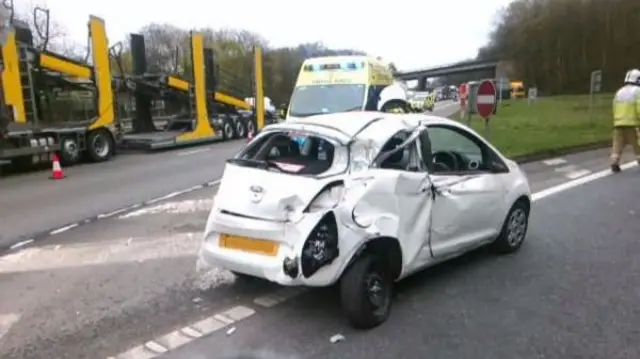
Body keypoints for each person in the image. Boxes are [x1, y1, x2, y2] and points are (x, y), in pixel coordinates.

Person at [610, 69, 640, 173]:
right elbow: (639, 107)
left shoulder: (619, 91)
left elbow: (614, 107)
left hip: (618, 123)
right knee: (637, 144)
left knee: (617, 145)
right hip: (632, 123)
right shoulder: (637, 91)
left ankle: (614, 163)